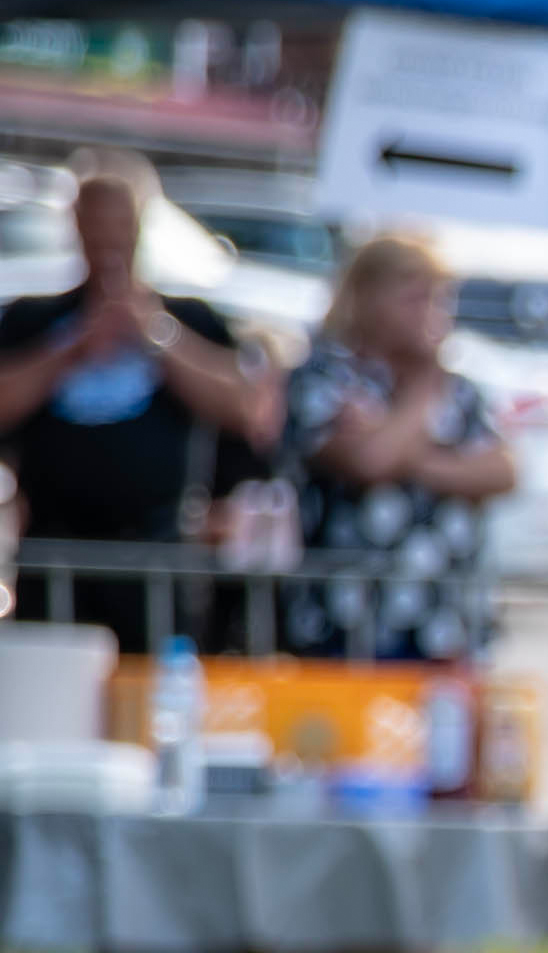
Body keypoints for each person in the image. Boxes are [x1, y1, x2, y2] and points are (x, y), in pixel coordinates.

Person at [0, 149, 283, 652]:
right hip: (56, 556)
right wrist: (75, 348)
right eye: (96, 224)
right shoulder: (32, 319)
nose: (109, 241)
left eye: (120, 224)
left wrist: (155, 336)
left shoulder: (191, 319)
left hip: (157, 561)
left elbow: (245, 409)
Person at [283, 234, 517, 664]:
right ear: (368, 298)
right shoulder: (325, 376)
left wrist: (401, 452)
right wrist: (422, 396)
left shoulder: (460, 389)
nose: (432, 314)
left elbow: (502, 471)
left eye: (439, 298)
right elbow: (367, 463)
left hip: (447, 626)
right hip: (352, 626)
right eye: (415, 298)